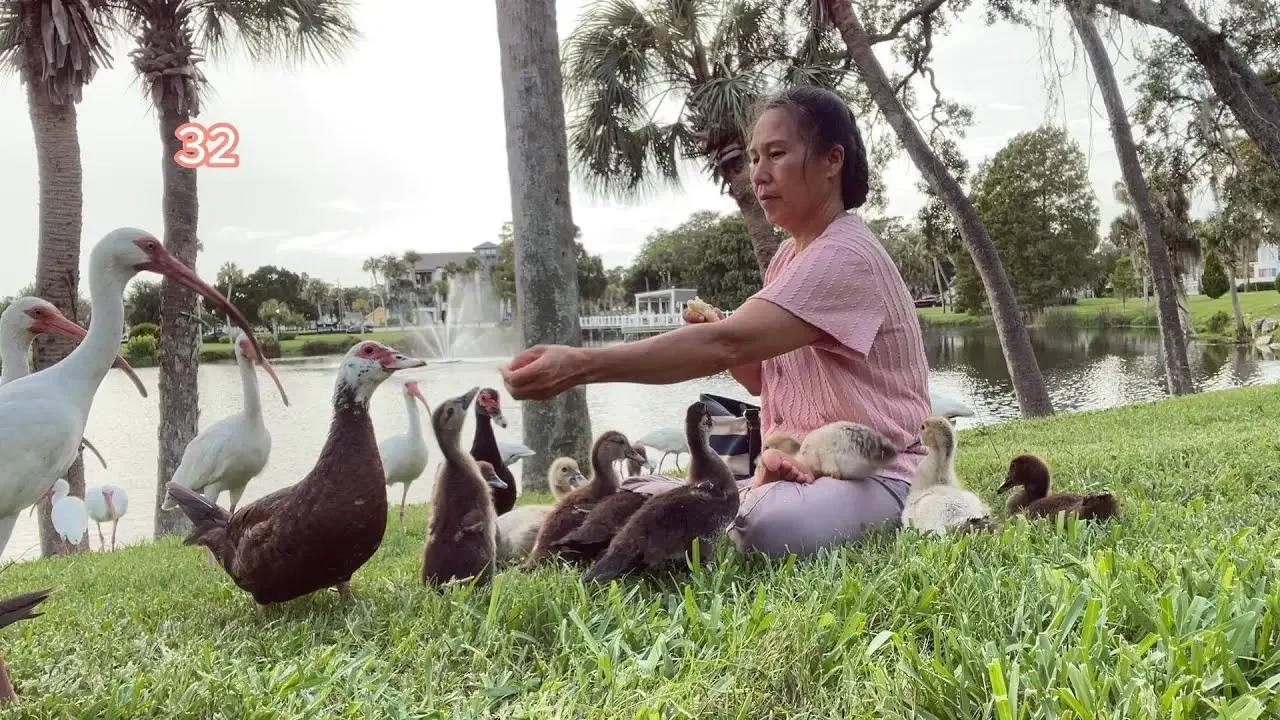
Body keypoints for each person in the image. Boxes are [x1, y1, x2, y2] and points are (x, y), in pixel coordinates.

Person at [500, 85, 933, 557]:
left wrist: (581, 365)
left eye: (777, 154)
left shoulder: (845, 254)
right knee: (640, 493)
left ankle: (741, 505)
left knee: (768, 529)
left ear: (832, 161)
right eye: (753, 158)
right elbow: (760, 378)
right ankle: (742, 497)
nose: (759, 175)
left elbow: (730, 344)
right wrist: (722, 338)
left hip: (876, 472)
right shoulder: (790, 255)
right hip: (796, 461)